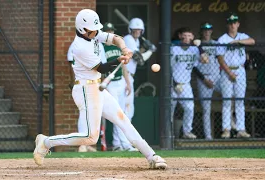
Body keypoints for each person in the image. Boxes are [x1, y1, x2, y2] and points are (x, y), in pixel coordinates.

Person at [33, 9, 167, 170]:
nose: (96, 32)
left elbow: (115, 38)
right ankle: (46, 142)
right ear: (82, 29)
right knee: (90, 138)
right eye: (92, 30)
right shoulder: (80, 46)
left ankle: (152, 156)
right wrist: (119, 59)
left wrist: (124, 49)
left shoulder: (93, 33)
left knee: (123, 120)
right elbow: (101, 68)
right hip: (85, 90)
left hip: (97, 87)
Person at [216, 13, 255, 138]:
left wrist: (237, 41)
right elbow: (220, 58)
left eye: (235, 22)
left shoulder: (242, 36)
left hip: (240, 70)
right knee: (227, 101)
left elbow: (252, 41)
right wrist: (229, 72)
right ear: (228, 24)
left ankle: (241, 129)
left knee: (239, 101)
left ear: (238, 24)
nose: (233, 25)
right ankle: (226, 129)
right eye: (231, 23)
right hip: (226, 72)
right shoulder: (222, 39)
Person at [101, 22, 136, 151]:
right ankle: (121, 144)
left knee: (122, 113)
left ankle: (120, 144)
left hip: (120, 81)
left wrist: (127, 82)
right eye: (107, 31)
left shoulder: (118, 48)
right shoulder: (101, 48)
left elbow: (124, 66)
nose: (110, 34)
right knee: (117, 113)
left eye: (111, 31)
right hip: (109, 83)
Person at [171, 27, 208, 139]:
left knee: (189, 107)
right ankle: (168, 133)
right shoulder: (173, 49)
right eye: (185, 35)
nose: (187, 38)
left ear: (192, 37)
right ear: (180, 36)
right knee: (169, 109)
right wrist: (174, 83)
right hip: (172, 83)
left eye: (189, 35)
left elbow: (205, 60)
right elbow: (167, 68)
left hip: (186, 84)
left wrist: (199, 47)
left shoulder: (194, 49)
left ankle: (187, 131)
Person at [67, 42, 103, 152]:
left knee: (94, 114)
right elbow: (71, 64)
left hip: (95, 83)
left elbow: (103, 65)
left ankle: (88, 144)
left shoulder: (98, 45)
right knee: (84, 113)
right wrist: (74, 81)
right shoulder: (76, 45)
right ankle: (83, 144)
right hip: (83, 83)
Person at [123, 18, 156, 122]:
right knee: (127, 107)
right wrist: (150, 50)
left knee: (128, 107)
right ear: (130, 30)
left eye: (139, 30)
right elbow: (139, 59)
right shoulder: (128, 39)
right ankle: (122, 137)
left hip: (129, 76)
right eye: (134, 30)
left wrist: (144, 48)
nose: (137, 32)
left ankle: (124, 137)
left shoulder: (135, 41)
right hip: (124, 77)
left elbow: (137, 54)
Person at [196, 22, 221, 140]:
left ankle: (231, 125)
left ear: (211, 31)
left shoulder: (217, 44)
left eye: (209, 30)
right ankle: (208, 136)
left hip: (218, 77)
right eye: (204, 30)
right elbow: (194, 67)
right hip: (204, 78)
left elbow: (222, 59)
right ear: (202, 31)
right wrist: (204, 79)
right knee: (206, 109)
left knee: (231, 97)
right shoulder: (197, 45)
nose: (207, 32)